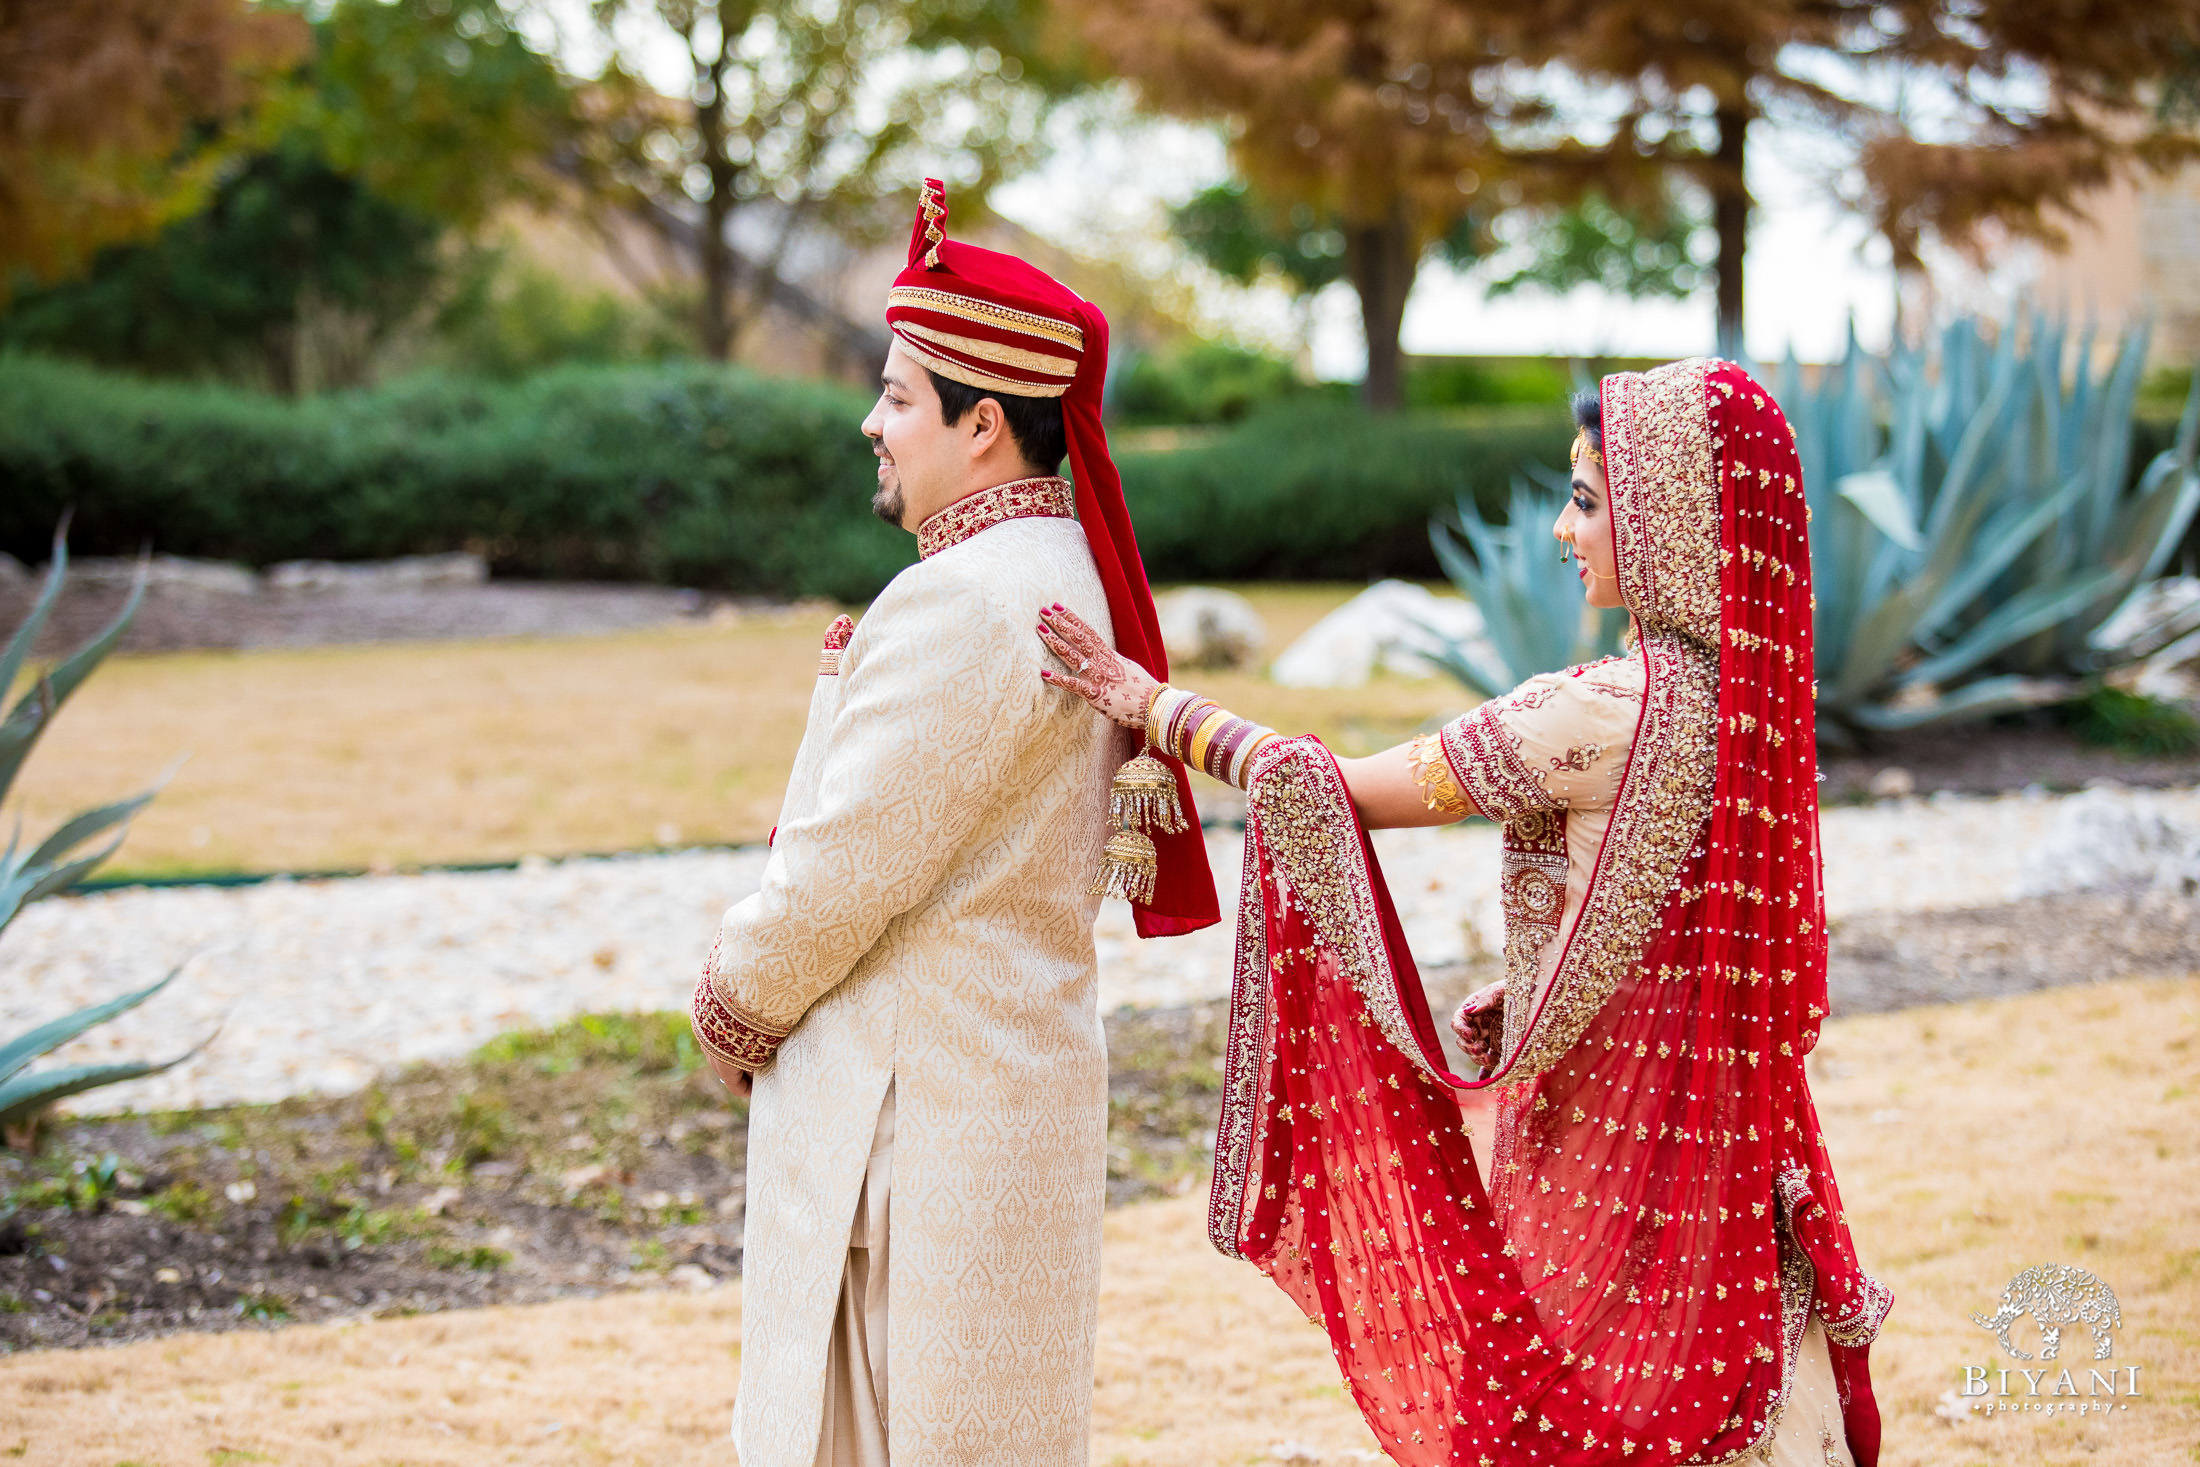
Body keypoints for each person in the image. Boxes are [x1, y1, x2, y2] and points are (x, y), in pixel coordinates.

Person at [1037, 358, 1890, 1466]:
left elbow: (1332, 790)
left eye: (1586, 501)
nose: (1558, 530)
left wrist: (1153, 705)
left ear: (1675, 522)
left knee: (1585, 1411)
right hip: (1724, 1171)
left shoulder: (1594, 713)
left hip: (1604, 1154)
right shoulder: (1749, 704)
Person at [689, 179, 1217, 1467]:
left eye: (897, 397)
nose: (871, 424)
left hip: (914, 1116)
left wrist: (727, 1004)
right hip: (1003, 1088)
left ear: (983, 426)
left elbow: (843, 870)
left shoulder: (964, 602)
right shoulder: (1058, 571)